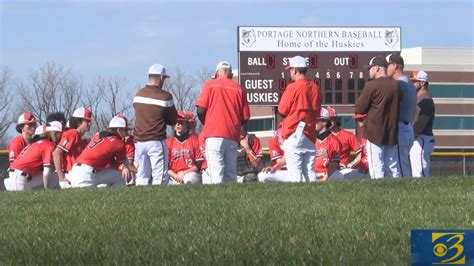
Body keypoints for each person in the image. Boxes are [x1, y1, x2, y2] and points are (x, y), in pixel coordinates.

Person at [196, 61, 250, 184]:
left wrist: (206, 121)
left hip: (214, 134)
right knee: (230, 173)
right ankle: (230, 201)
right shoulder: (239, 88)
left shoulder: (210, 84)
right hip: (232, 135)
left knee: (216, 172)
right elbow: (245, 117)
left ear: (217, 73)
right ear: (230, 74)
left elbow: (200, 109)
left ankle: (217, 201)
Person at [354, 55, 401, 179]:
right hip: (391, 132)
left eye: (370, 68)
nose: (368, 71)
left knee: (376, 167)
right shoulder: (396, 85)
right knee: (392, 167)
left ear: (376, 68)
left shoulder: (372, 85)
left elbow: (359, 107)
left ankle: (378, 194)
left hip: (374, 132)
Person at [278, 55, 322, 182]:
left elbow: (282, 110)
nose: (290, 72)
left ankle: (298, 201)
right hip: (310, 133)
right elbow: (318, 111)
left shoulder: (293, 87)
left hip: (294, 132)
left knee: (295, 175)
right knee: (310, 172)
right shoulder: (315, 88)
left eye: (291, 69)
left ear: (295, 70)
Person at [133, 64, 178, 186]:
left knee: (142, 175)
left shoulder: (138, 95)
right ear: (161, 77)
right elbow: (174, 120)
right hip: (156, 141)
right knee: (160, 176)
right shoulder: (165, 96)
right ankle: (159, 202)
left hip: (139, 142)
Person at [69, 115, 134, 188]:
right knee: (120, 174)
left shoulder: (100, 138)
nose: (127, 134)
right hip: (85, 174)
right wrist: (125, 168)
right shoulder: (118, 143)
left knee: (117, 173)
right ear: (119, 130)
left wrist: (123, 167)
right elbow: (124, 163)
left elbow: (112, 162)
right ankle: (121, 196)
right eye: (125, 130)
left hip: (77, 170)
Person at [4, 122, 63, 191]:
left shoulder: (34, 144)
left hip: (20, 176)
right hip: (19, 177)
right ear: (53, 133)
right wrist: (47, 190)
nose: (60, 136)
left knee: (54, 175)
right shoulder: (48, 145)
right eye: (59, 134)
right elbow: (46, 173)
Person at [386, 53, 417, 177]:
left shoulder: (399, 84)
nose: (386, 68)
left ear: (394, 66)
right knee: (401, 161)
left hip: (400, 128)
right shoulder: (409, 83)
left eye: (388, 65)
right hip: (407, 127)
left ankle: (408, 191)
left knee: (399, 163)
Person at [53, 107, 92, 188]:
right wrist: (61, 177)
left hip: (76, 173)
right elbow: (56, 153)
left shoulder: (79, 137)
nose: (90, 123)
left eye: (90, 121)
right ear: (79, 122)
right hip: (69, 175)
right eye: (87, 121)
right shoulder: (72, 133)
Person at [409, 70, 435, 177]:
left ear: (423, 82)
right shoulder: (418, 98)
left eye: (414, 81)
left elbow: (421, 122)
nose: (412, 84)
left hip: (421, 138)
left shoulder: (426, 100)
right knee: (417, 173)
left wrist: (410, 136)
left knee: (420, 174)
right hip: (418, 139)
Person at [330, 114, 370, 181]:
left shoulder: (348, 135)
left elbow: (360, 154)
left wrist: (349, 165)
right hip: (324, 169)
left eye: (330, 119)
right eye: (324, 120)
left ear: (335, 120)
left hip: (342, 169)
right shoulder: (322, 137)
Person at [167, 111, 202, 185]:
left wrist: (184, 173)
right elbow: (165, 166)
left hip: (191, 173)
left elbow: (199, 164)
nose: (178, 124)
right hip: (173, 174)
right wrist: (175, 176)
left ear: (187, 125)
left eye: (181, 122)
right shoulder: (169, 142)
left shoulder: (194, 140)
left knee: (189, 179)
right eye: (176, 122)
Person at [314, 108, 342, 181]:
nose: (313, 122)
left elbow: (335, 163)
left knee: (338, 176)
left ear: (324, 122)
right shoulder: (311, 140)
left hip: (327, 173)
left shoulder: (334, 141)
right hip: (312, 173)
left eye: (316, 120)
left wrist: (325, 178)